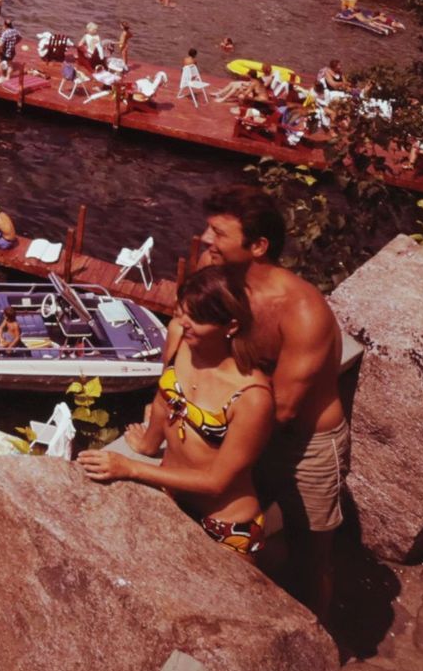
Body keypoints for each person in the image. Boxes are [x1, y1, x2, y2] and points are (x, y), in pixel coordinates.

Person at [178, 191, 348, 614]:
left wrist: (209, 423)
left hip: (306, 443)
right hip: (245, 424)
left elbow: (285, 407)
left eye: (218, 232)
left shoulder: (302, 310)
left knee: (312, 554)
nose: (204, 239)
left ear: (258, 246)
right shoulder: (215, 278)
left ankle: (320, 644)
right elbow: (184, 334)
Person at [80, 265, 274, 560]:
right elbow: (164, 395)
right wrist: (148, 442)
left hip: (225, 525)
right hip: (173, 497)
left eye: (197, 318)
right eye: (182, 311)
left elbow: (216, 482)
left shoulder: (252, 398)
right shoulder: (179, 337)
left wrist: (130, 467)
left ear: (231, 326)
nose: (184, 323)